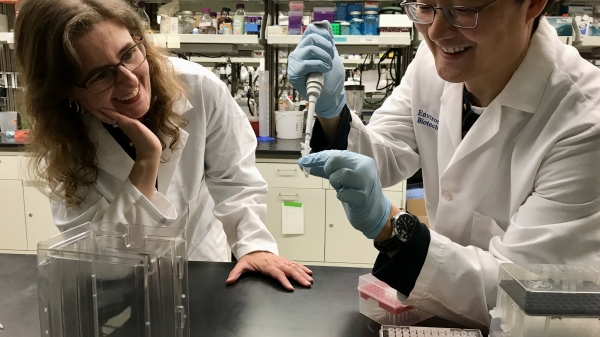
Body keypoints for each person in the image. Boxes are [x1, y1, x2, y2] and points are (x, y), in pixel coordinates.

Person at [289, 0, 600, 331]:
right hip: (442, 312)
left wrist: (393, 230)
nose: (436, 32)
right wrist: (331, 112)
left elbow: (520, 293)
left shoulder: (583, 119)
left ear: (532, 5)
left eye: (464, 8)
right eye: (425, 6)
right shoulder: (435, 60)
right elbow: (384, 155)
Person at [15, 0, 312, 291]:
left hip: (201, 268)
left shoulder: (199, 87)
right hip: (114, 291)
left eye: (128, 53)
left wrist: (254, 246)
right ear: (64, 89)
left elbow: (235, 180)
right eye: (101, 74)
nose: (130, 81)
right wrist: (146, 161)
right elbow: (106, 264)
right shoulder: (63, 142)